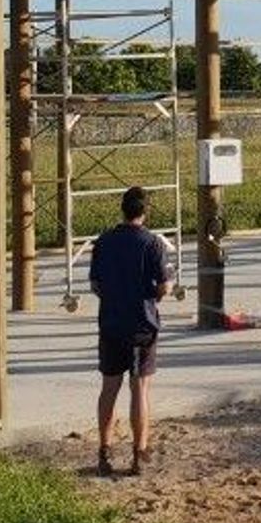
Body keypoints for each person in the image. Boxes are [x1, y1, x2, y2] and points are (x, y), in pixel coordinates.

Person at [89, 185, 173, 476]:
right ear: (144, 211)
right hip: (142, 324)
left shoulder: (103, 242)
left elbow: (96, 284)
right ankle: (139, 452)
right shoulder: (152, 243)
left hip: (111, 323)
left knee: (109, 388)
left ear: (122, 209)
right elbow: (163, 285)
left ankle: (104, 450)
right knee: (139, 389)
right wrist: (159, 292)